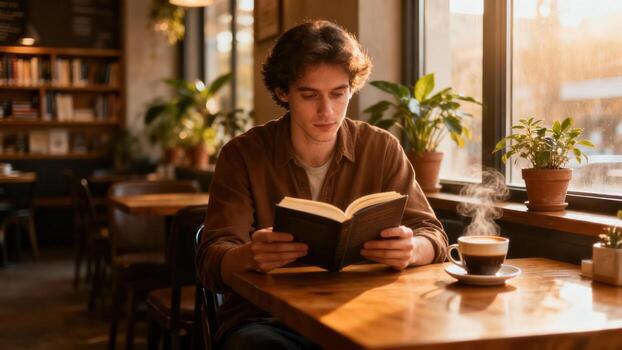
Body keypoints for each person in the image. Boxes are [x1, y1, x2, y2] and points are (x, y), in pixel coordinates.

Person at [197, 20, 448, 350]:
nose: (327, 111)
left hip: (365, 315)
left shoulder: (381, 148)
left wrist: (412, 249)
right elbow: (211, 259)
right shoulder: (243, 155)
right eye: (309, 95)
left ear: (351, 89)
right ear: (282, 92)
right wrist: (248, 256)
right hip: (268, 320)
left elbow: (433, 233)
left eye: (338, 94)